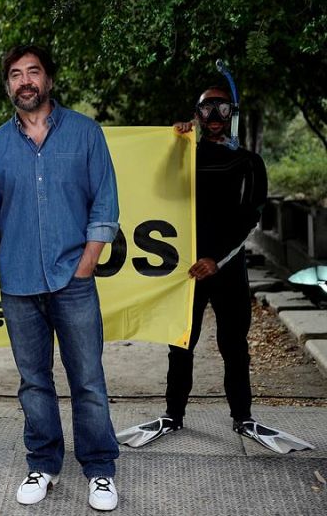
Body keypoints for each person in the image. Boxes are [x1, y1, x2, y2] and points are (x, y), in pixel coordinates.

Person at [0, 44, 120, 510]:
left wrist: (88, 261)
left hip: (73, 281)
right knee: (33, 381)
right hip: (17, 284)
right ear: (8, 84)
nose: (25, 80)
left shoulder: (85, 133)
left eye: (33, 72)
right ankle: (44, 464)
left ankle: (100, 470)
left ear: (48, 80)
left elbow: (105, 204)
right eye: (15, 74)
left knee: (88, 379)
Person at [115, 88, 310, 455]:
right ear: (198, 114)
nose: (215, 114)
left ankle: (243, 415)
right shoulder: (187, 156)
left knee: (234, 345)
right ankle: (174, 414)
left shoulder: (248, 163)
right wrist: (173, 146)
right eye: (207, 108)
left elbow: (249, 218)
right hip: (186, 270)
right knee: (180, 342)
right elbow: (158, 190)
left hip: (226, 266)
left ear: (231, 112)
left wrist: (217, 259)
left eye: (222, 107)